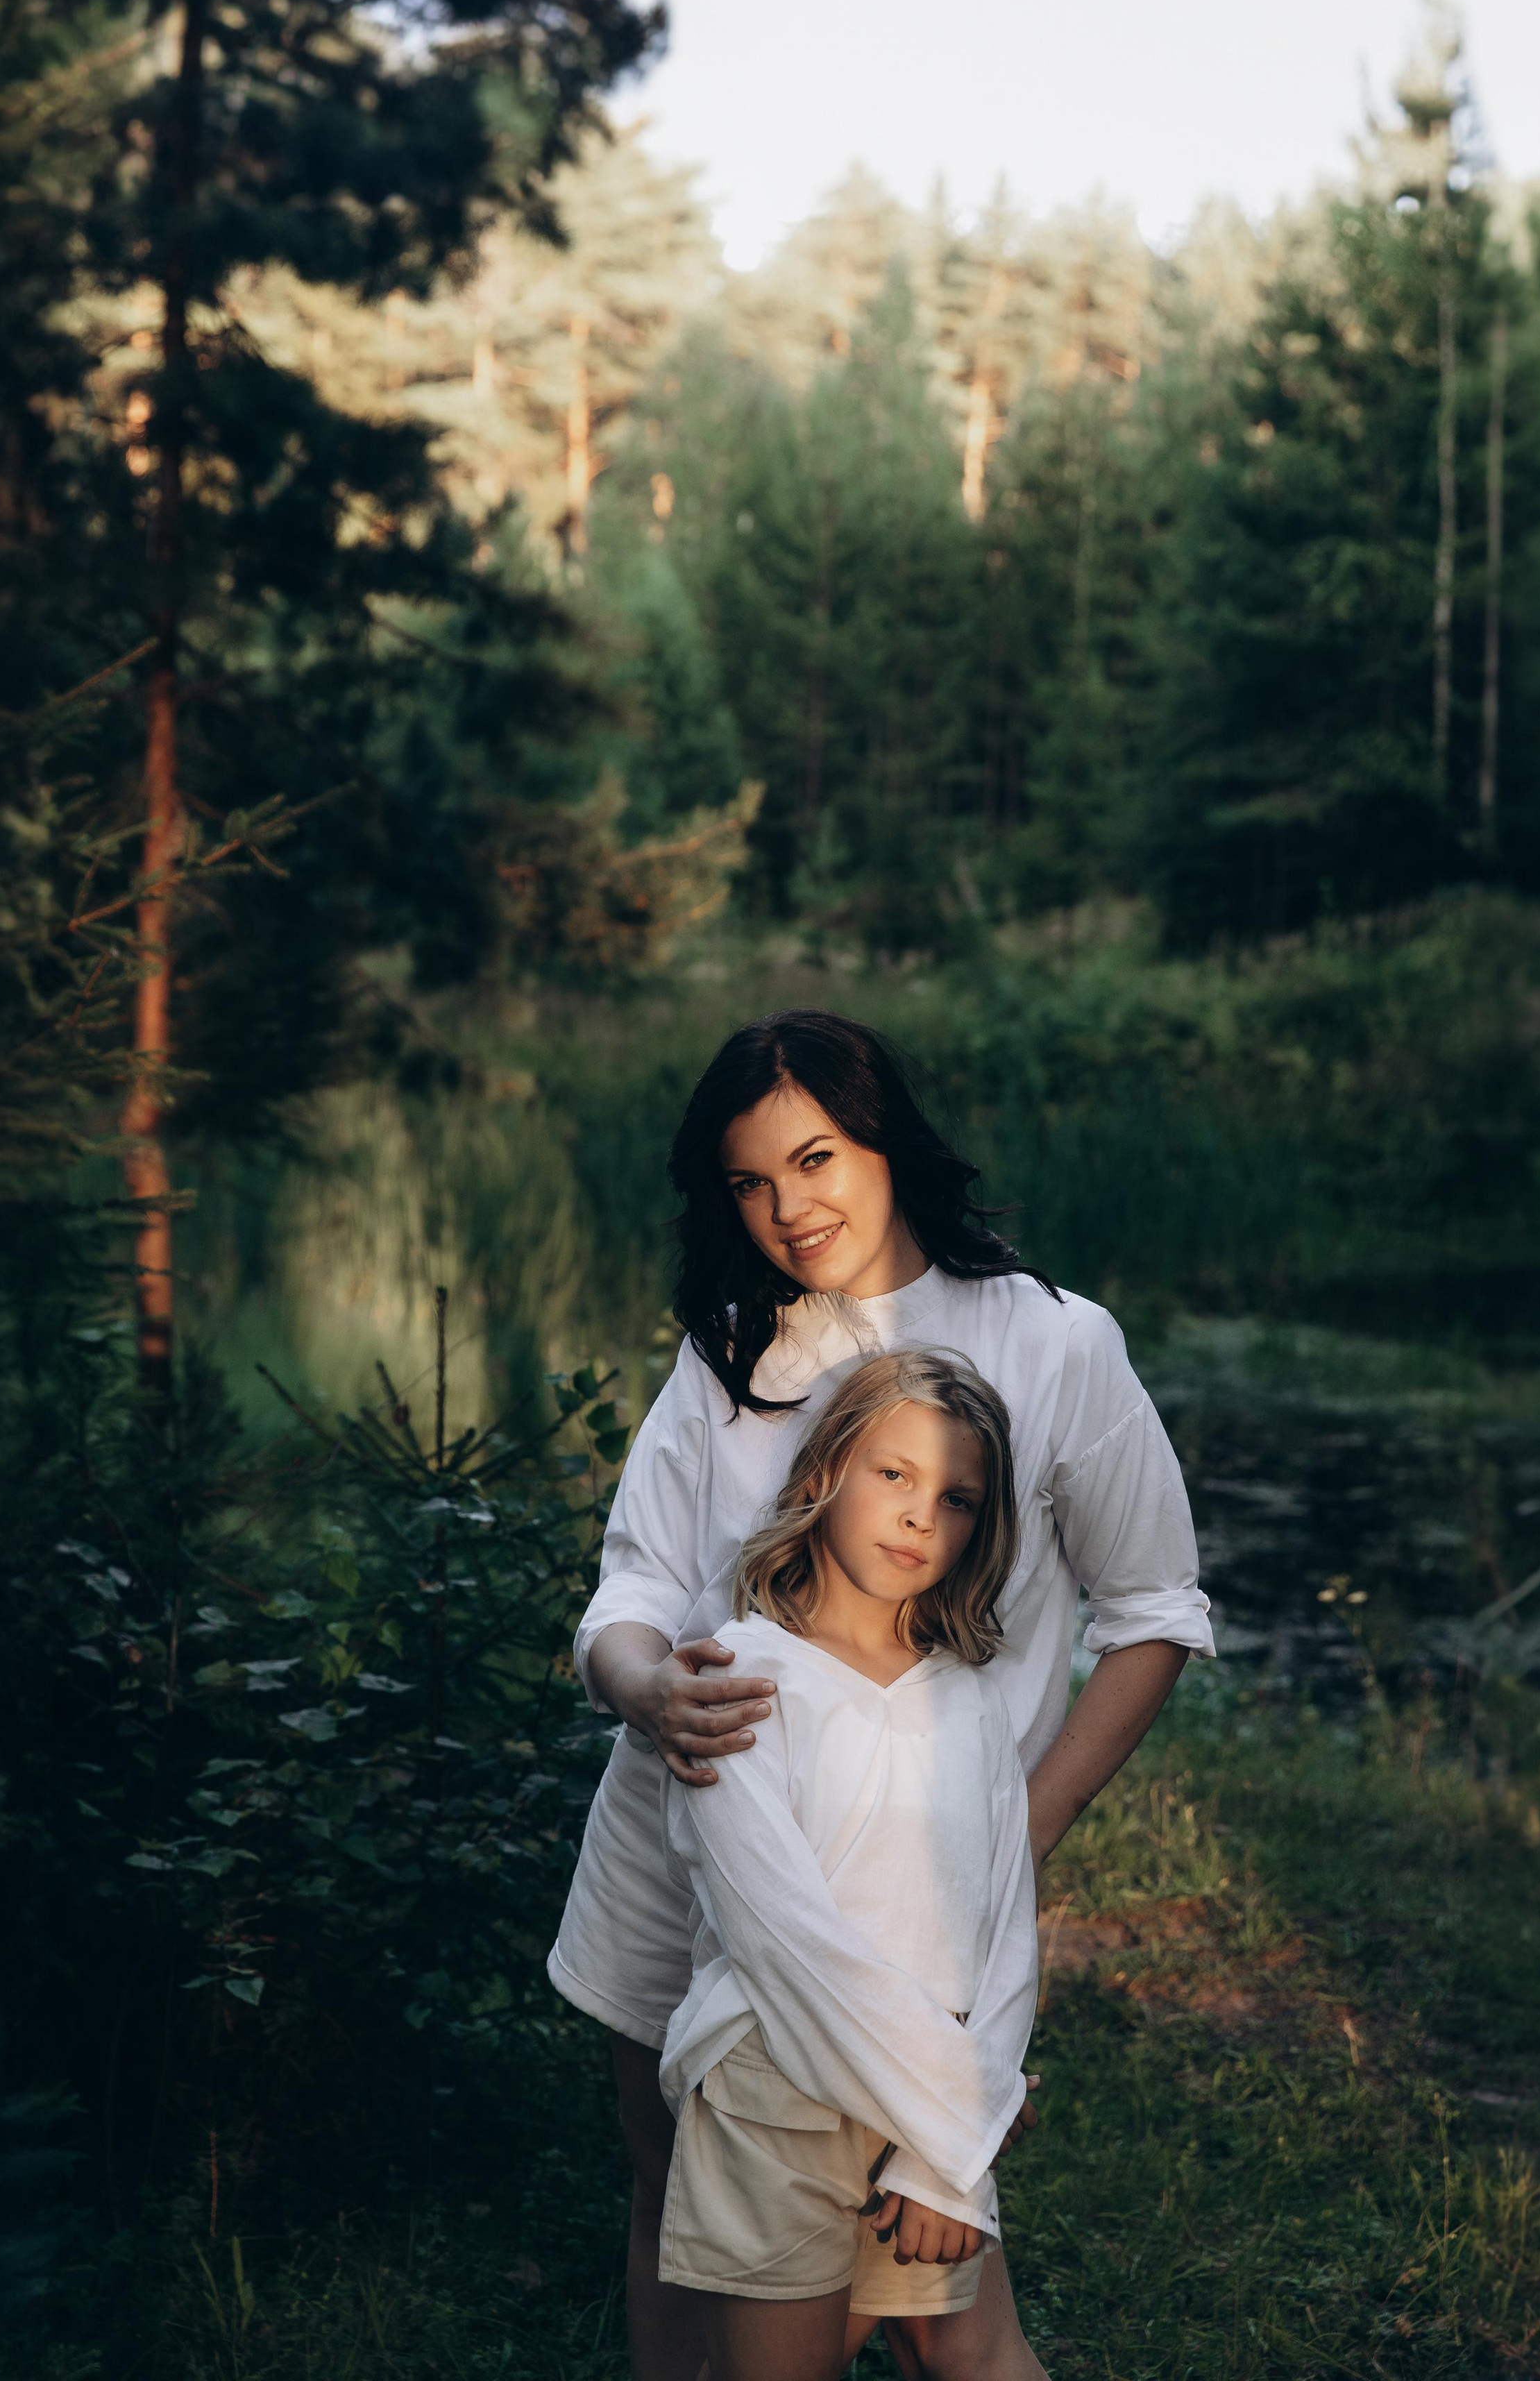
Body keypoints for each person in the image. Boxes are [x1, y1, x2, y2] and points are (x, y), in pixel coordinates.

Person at [548, 1009, 1215, 2381]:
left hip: (904, 1898)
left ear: (885, 1141)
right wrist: (645, 1695)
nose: (788, 1211)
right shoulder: (732, 1350)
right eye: (748, 1181)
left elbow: (1150, 1616)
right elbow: (628, 1595)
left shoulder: (1053, 1346)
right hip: (678, 1845)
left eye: (816, 1158)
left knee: (936, 2275)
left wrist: (1012, 1836)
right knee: (678, 2195)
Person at [656, 1348, 1037, 2381]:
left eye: (956, 1498)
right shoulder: (740, 1678)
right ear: (825, 1472)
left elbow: (1008, 1933)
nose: (922, 1517)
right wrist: (962, 2116)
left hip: (923, 2108)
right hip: (776, 2084)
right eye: (895, 1475)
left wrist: (942, 2158)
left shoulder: (969, 1700)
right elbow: (787, 1943)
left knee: (951, 2353)